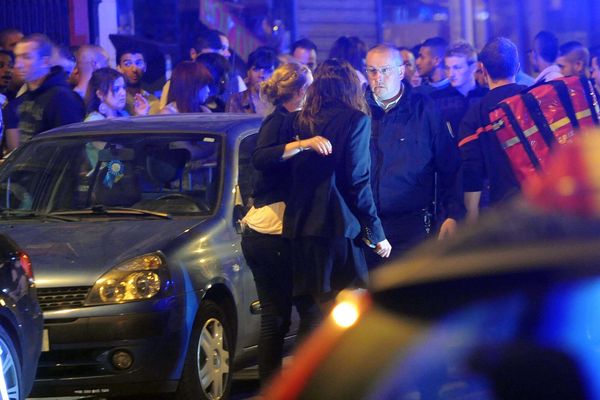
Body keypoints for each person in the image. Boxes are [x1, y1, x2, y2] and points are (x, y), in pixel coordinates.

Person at [241, 61, 328, 386]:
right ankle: (297, 387)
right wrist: (303, 144)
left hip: (268, 230)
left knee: (277, 317)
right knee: (305, 311)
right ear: (303, 90)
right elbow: (262, 156)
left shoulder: (291, 120)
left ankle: (273, 388)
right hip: (273, 231)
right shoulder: (280, 121)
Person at [283, 59, 391, 315]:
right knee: (352, 308)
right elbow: (357, 180)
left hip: (301, 224)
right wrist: (376, 233)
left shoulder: (299, 120)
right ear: (350, 86)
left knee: (315, 310)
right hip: (339, 225)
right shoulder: (356, 120)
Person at [364, 44, 463, 264]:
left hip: (413, 226)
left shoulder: (424, 109)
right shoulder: (357, 110)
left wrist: (452, 213)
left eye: (385, 70)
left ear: (401, 71)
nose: (378, 77)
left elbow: (449, 165)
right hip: (366, 227)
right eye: (372, 70)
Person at [458, 37, 528, 223]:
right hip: (546, 205)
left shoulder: (475, 115)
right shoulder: (535, 99)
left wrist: (471, 217)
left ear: (483, 69)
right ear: (517, 66)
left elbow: (471, 170)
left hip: (503, 213)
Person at [13, 34, 84, 146]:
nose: (18, 64)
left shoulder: (62, 98)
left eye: (26, 57)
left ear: (45, 62)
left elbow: (70, 147)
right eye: (17, 57)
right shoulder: (28, 95)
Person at [226, 47, 278, 116]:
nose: (261, 75)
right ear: (248, 72)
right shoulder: (237, 99)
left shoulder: (280, 98)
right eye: (256, 69)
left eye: (268, 71)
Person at [84, 67, 149, 121]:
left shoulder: (124, 114)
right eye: (116, 89)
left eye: (123, 87)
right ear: (100, 94)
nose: (123, 93)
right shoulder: (94, 120)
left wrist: (140, 115)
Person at [116, 47, 160, 115]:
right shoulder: (115, 100)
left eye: (139, 63)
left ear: (145, 67)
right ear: (119, 68)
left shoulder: (153, 102)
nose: (134, 69)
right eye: (127, 64)